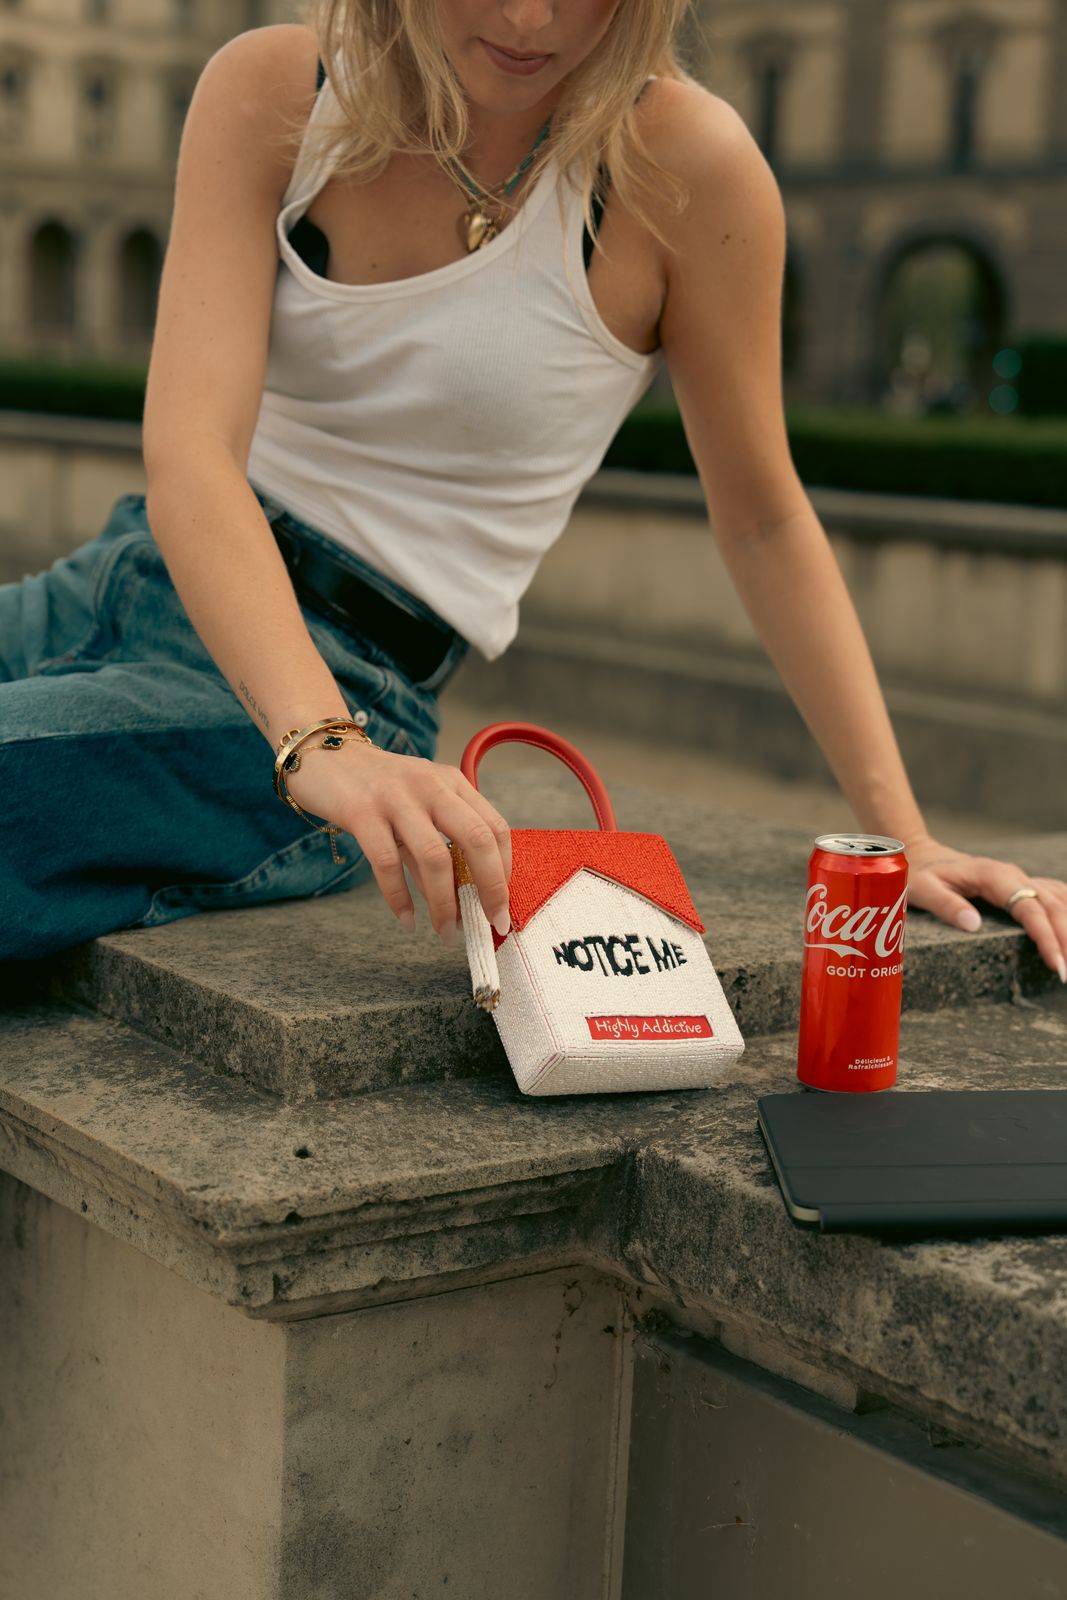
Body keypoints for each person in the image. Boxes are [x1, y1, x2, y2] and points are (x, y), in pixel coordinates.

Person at [2, 0, 1065, 982]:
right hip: (129, 582)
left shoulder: (682, 168)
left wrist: (903, 834)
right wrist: (312, 740)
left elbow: (762, 517)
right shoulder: (280, 86)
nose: (527, 17)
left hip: (348, 682)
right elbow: (190, 450)